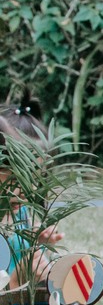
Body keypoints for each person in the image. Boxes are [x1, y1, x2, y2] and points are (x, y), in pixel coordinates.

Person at [0, 96, 63, 289]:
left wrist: (39, 245)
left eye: (36, 180)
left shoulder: (21, 215)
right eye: (19, 178)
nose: (30, 190)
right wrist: (15, 283)